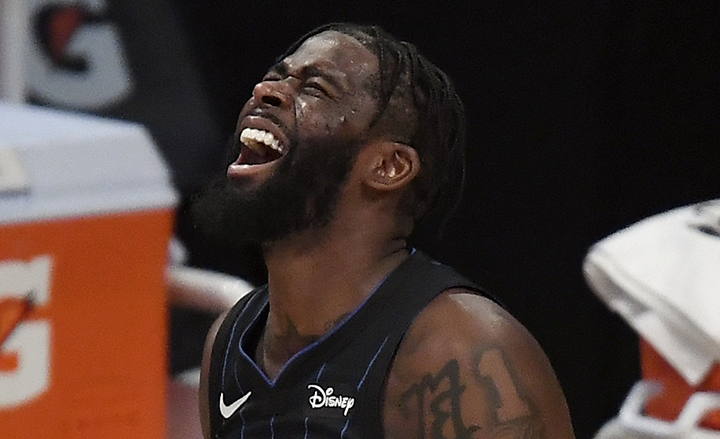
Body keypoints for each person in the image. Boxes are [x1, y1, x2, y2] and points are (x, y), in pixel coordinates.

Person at [191, 22, 575, 439]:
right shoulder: (230, 339)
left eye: (316, 89)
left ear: (388, 167)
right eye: (275, 76)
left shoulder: (461, 350)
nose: (266, 91)